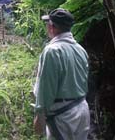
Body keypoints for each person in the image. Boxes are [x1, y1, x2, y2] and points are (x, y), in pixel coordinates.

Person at [33, 8, 90, 140]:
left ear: (52, 27)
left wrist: (39, 116)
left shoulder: (52, 51)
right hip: (82, 110)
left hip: (63, 118)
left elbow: (46, 88)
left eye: (48, 23)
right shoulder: (81, 50)